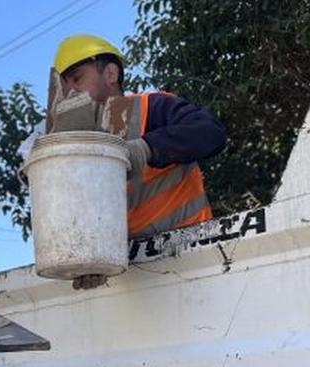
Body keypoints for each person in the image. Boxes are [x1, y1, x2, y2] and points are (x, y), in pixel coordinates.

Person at [53, 34, 227, 289]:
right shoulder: (83, 146)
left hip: (192, 251)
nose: (72, 92)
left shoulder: (151, 107)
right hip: (134, 272)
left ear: (110, 73)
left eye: (78, 79)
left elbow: (210, 132)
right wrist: (90, 259)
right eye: (66, 86)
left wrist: (147, 148)